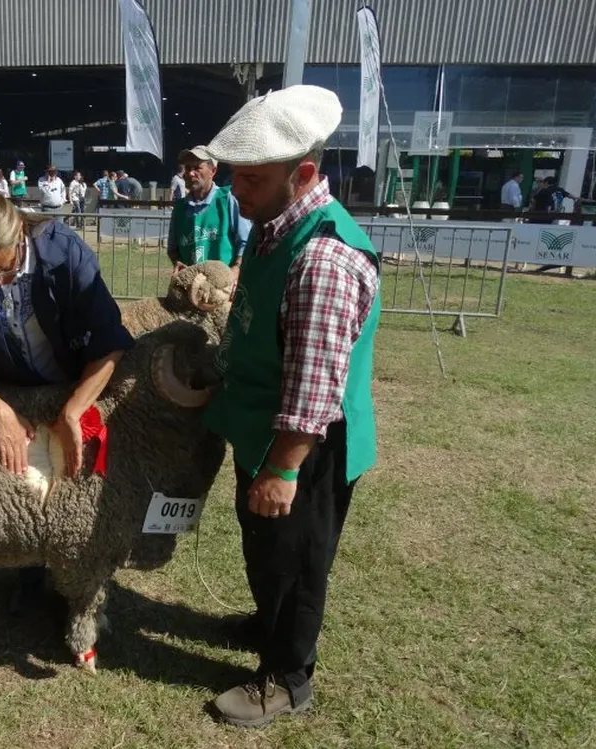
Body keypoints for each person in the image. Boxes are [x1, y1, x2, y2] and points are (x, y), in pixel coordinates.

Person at [199, 85, 381, 728]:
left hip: (304, 445)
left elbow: (314, 383)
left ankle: (287, 677)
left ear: (302, 173)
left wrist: (282, 469)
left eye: (251, 177)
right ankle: (267, 623)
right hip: (263, 430)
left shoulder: (323, 257)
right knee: (266, 547)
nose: (235, 190)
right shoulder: (273, 228)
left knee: (297, 559)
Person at [0, 189, 134, 613]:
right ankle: (29, 567)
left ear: (20, 233)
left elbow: (110, 342)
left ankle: (80, 574)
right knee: (26, 482)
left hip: (73, 384)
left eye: (6, 271)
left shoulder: (65, 252)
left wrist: (74, 409)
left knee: (80, 479)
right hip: (12, 389)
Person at [166, 146, 251, 280]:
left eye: (197, 168)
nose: (190, 173)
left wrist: (235, 270)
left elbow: (246, 243)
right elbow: (172, 248)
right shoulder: (180, 208)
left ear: (213, 171)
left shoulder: (228, 199)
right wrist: (177, 262)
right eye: (188, 168)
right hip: (191, 288)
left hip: (224, 288)